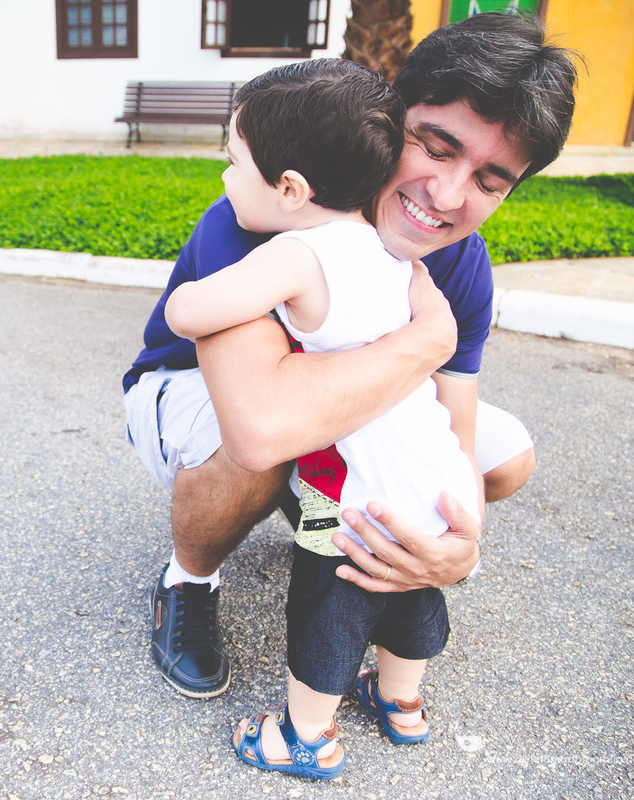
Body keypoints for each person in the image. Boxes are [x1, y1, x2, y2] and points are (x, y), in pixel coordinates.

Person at [123, 12, 578, 701]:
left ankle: (334, 518)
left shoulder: (462, 263)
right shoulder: (273, 213)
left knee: (503, 457)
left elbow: (455, 425)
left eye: (490, 180)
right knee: (264, 451)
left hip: (341, 401)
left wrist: (461, 543)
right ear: (392, 117)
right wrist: (424, 341)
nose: (448, 197)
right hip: (192, 395)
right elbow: (261, 424)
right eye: (436, 145)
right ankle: (187, 579)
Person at [163, 58, 479, 779]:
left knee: (329, 605)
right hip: (429, 477)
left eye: (232, 162)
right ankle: (402, 706)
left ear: (291, 189)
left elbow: (188, 311)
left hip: (357, 489)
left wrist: (201, 295)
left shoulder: (298, 253)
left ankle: (306, 736)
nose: (223, 180)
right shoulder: (397, 253)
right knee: (410, 591)